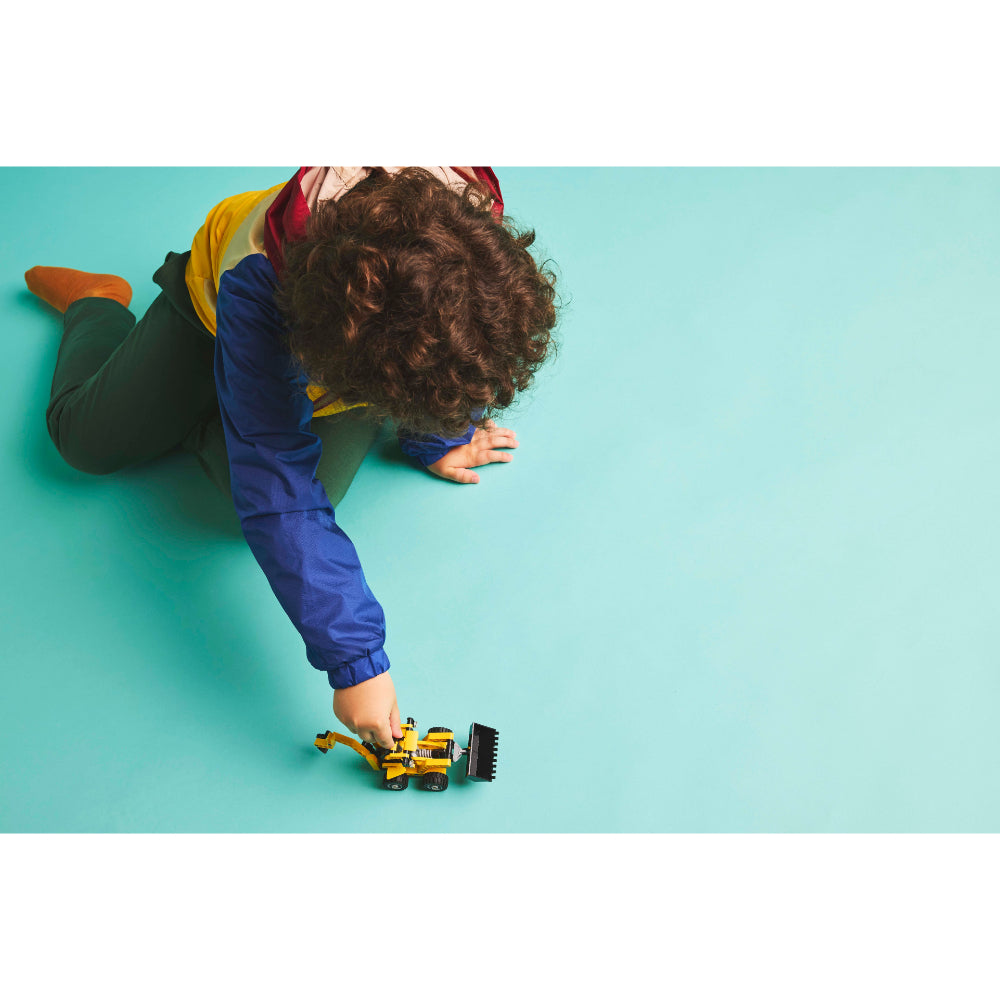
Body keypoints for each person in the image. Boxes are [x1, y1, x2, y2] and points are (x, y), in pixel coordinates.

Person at [25, 166, 558, 752]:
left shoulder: (471, 228)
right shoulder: (258, 280)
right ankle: (96, 304)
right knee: (85, 442)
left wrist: (435, 439)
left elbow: (464, 337)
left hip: (349, 347)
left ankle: (240, 412)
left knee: (282, 498)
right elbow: (278, 489)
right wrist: (357, 664)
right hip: (220, 311)